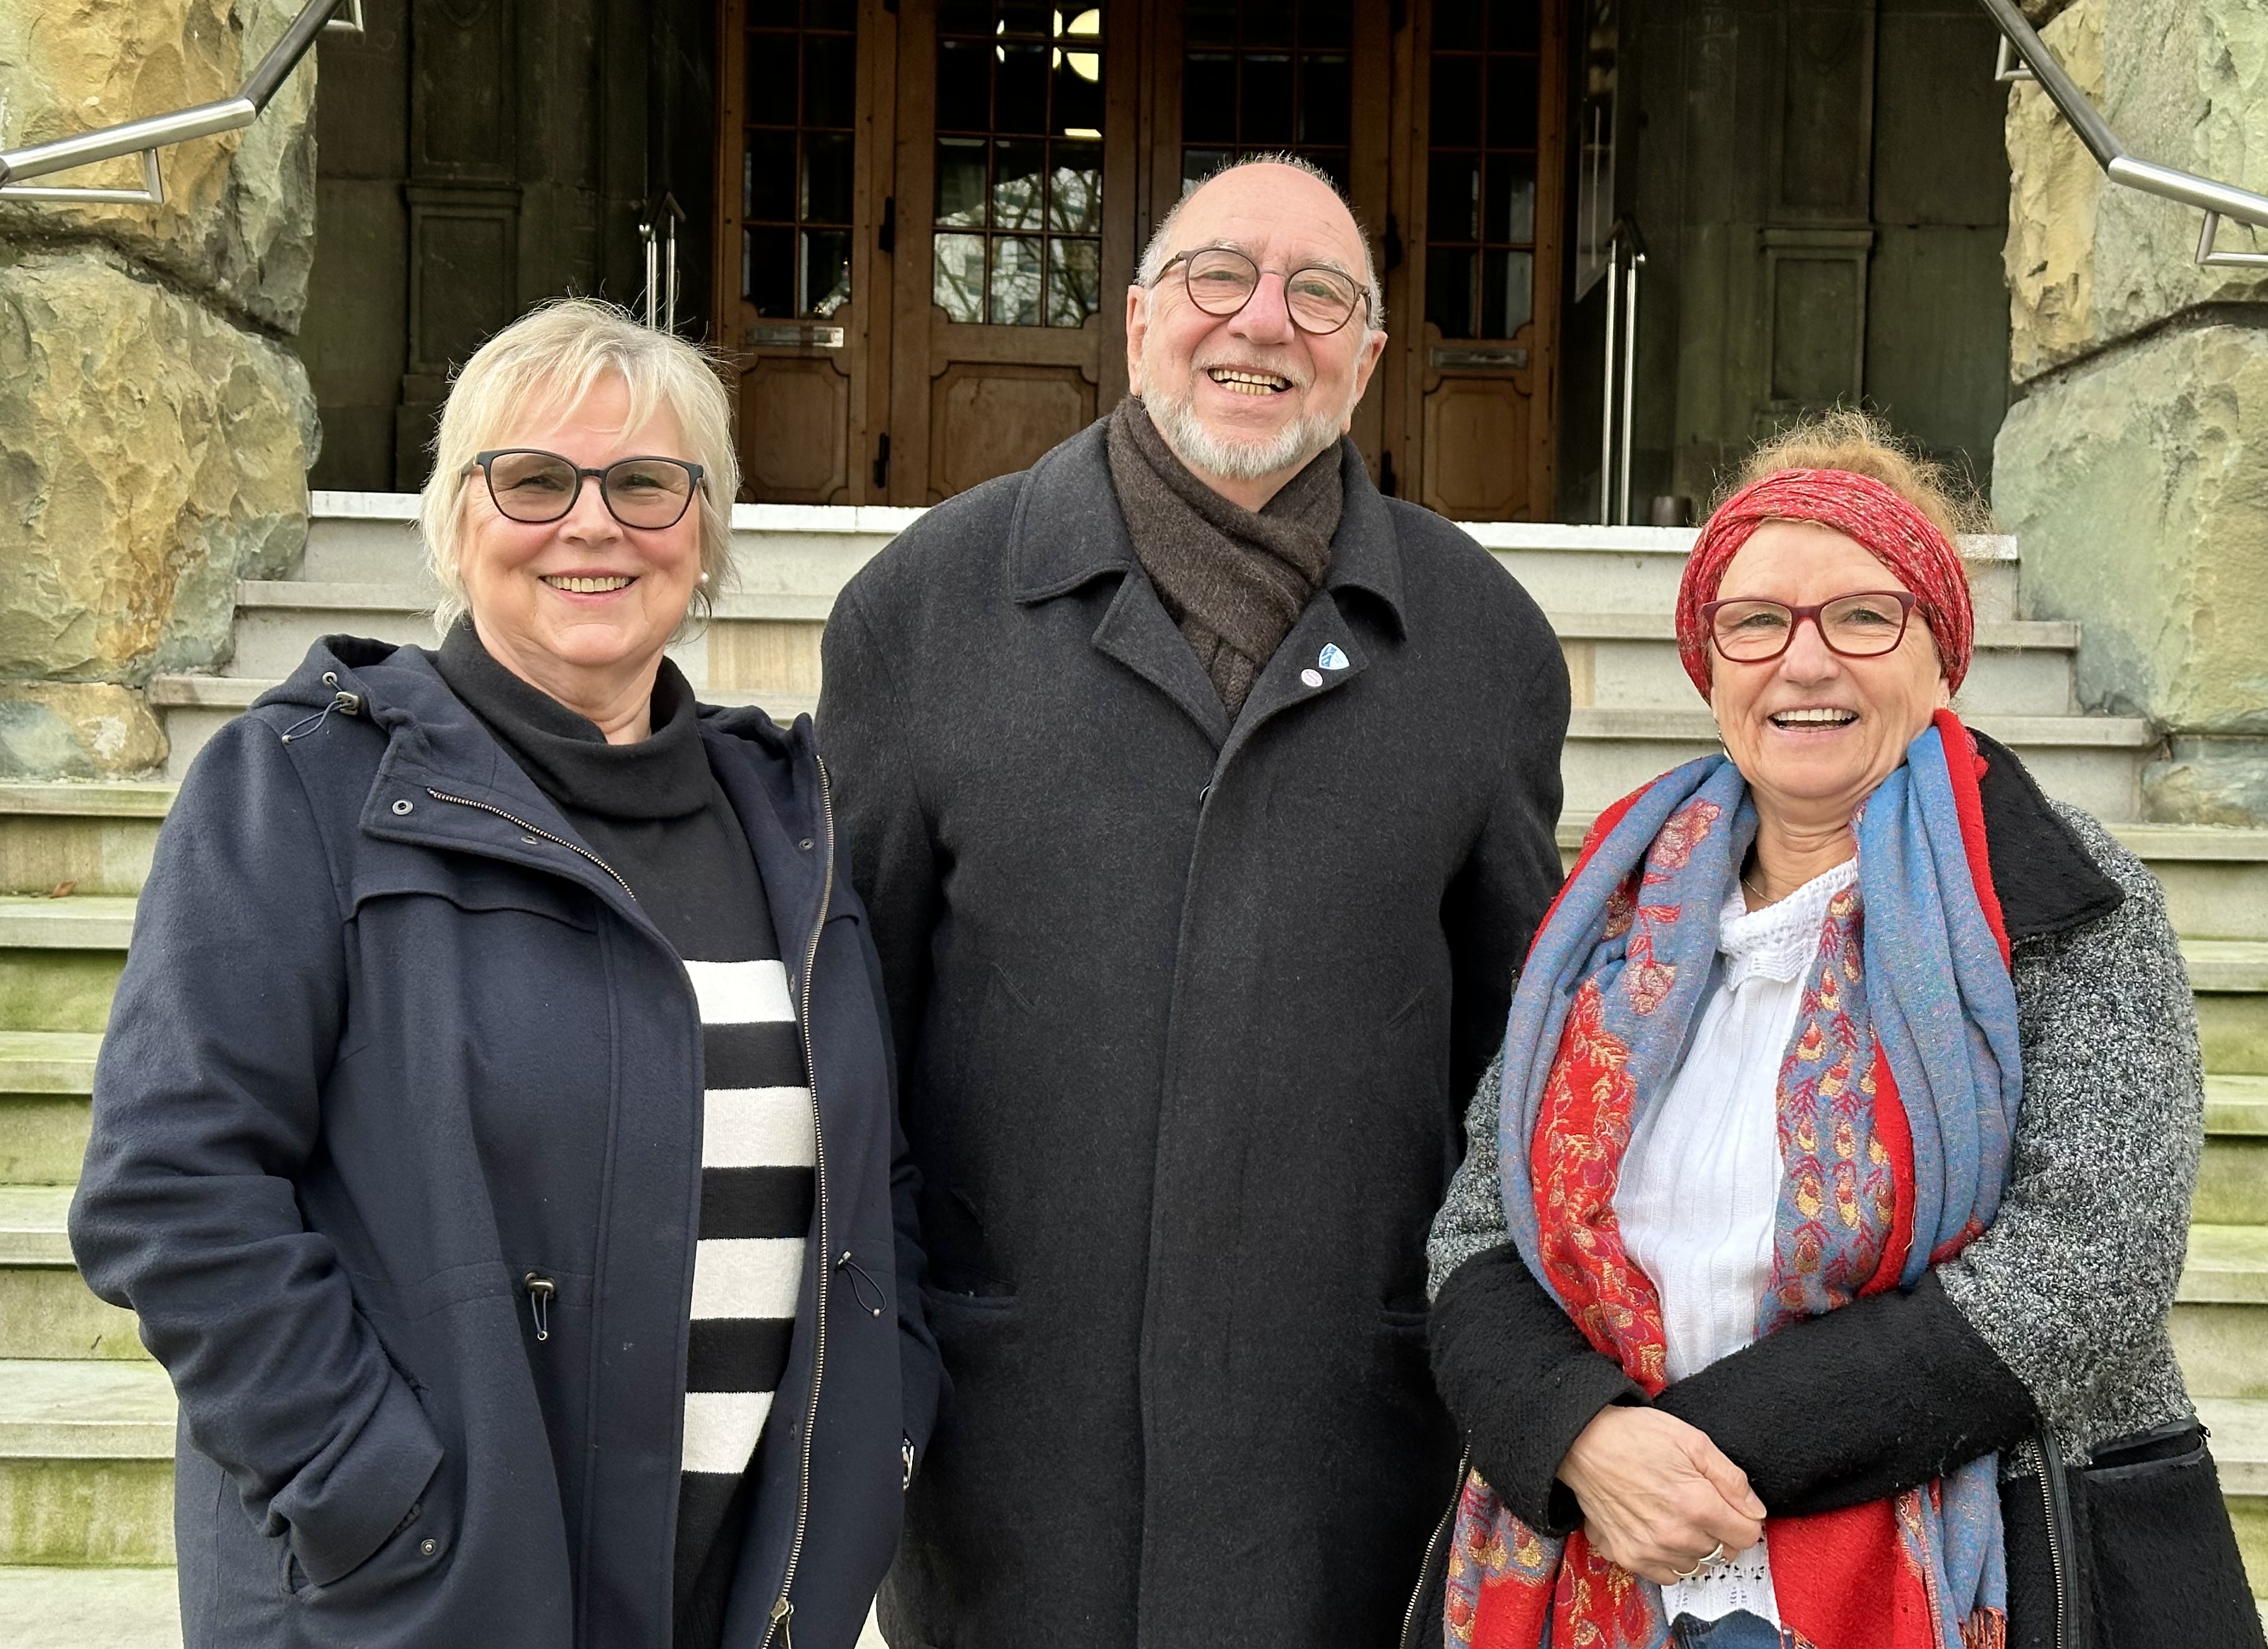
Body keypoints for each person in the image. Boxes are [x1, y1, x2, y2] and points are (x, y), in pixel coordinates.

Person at [69, 299, 941, 1649]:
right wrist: (372, 1490)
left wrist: (883, 1428)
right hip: (417, 1595)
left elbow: (875, 1173)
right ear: (455, 520)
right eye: (532, 479)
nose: (591, 524)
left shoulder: (791, 820)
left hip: (738, 1594)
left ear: (703, 535)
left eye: (648, 483)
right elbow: (172, 1187)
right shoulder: (306, 787)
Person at [814, 155, 1570, 1648]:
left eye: (1319, 294)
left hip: (1348, 1457)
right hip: (1010, 1455)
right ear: (1140, 315)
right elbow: (852, 1035)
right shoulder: (923, 611)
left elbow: (1515, 1080)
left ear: (1365, 353)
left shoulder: (1480, 642)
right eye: (1218, 276)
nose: (1262, 323)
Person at [1418, 412, 2263, 1649]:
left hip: (1958, 1564)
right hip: (1605, 1579)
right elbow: (1474, 1231)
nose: (1802, 663)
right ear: (1709, 662)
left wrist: (1684, 1459)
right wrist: (1577, 1435)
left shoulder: (2053, 895)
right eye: (1755, 621)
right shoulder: (1606, 914)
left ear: (1939, 654)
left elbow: (2090, 1266)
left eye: (1862, 617)